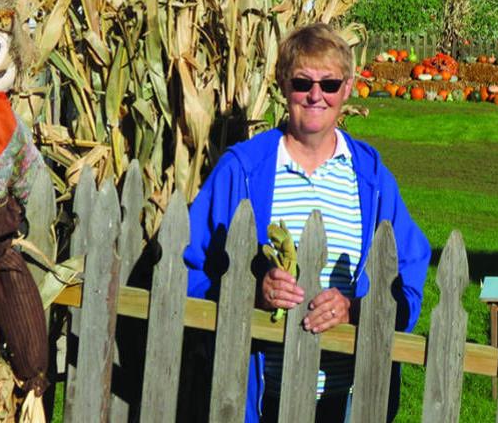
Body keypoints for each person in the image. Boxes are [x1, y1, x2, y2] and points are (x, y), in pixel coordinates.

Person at [183, 24, 431, 423]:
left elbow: (409, 275)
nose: (316, 95)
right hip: (258, 398)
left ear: (347, 89)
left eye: (329, 84)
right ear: (283, 84)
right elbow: (189, 267)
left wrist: (356, 310)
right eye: (303, 82)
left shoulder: (370, 176)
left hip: (347, 401)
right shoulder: (244, 170)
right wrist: (249, 292)